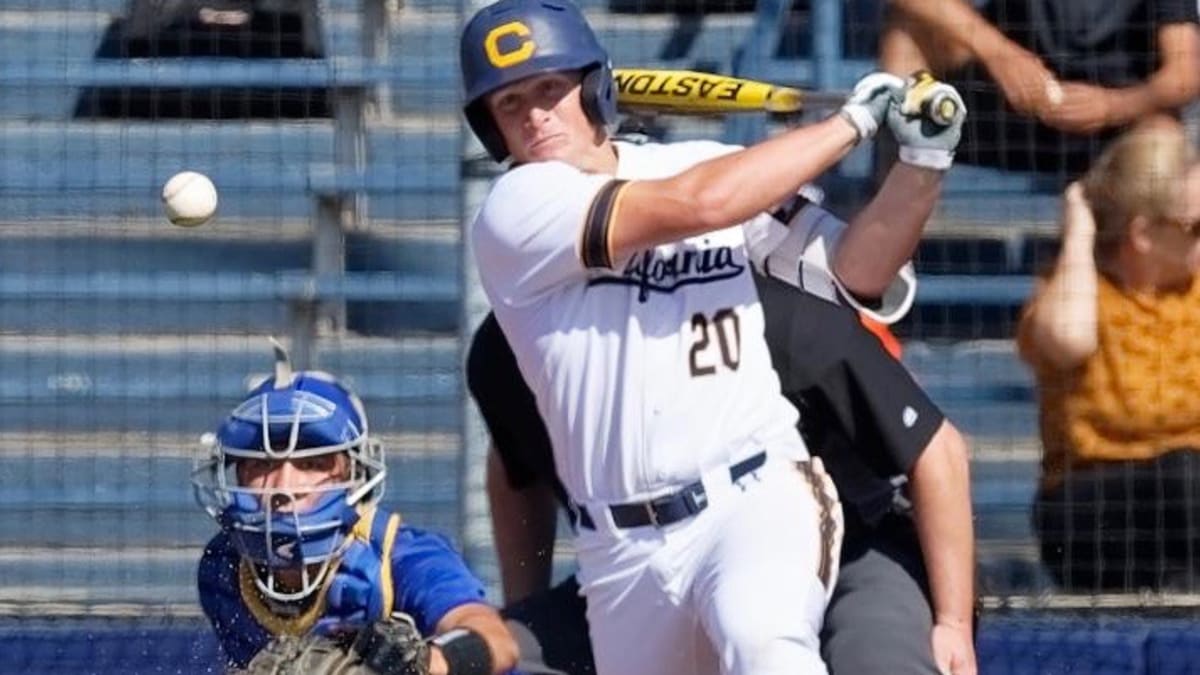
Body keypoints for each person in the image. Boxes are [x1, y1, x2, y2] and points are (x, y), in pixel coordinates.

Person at [461, 0, 966, 671]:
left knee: (766, 645)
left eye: (550, 89)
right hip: (619, 549)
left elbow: (857, 271)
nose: (533, 115)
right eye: (510, 102)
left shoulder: (708, 162)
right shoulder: (516, 211)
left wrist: (922, 162)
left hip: (753, 497)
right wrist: (852, 123)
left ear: (592, 88)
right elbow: (699, 204)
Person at [476, 277, 979, 675]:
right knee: (502, 656)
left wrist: (953, 624)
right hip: (645, 568)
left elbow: (938, 449)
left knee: (874, 662)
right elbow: (515, 467)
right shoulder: (508, 349)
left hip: (855, 545)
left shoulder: (762, 311)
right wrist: (525, 601)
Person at [191, 341, 519, 673]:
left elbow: (495, 639)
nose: (283, 486)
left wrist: (424, 663)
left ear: (354, 474)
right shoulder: (224, 568)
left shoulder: (400, 557)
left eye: (313, 463)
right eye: (262, 464)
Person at [1017, 122, 1200, 592]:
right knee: (1185, 476)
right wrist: (1078, 231)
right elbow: (1068, 339)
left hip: (1188, 512)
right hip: (1092, 514)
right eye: (1195, 228)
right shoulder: (1074, 291)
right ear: (1142, 234)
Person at [880, 0, 1200, 178]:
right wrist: (998, 52)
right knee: (907, 32)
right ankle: (896, 218)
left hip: (1114, 134)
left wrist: (1111, 107)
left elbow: (1186, 72)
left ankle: (1150, 292)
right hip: (1009, 109)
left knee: (1165, 140)